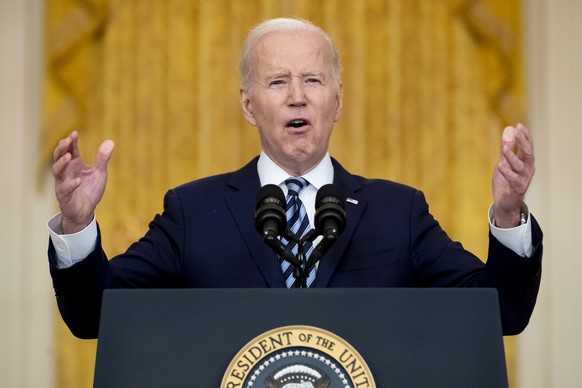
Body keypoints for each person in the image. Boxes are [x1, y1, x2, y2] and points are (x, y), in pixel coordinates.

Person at [48, 18, 542, 339]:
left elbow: (498, 312)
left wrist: (506, 214)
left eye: (313, 80)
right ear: (249, 105)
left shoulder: (399, 213)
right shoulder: (193, 212)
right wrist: (77, 225)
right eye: (278, 81)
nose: (297, 97)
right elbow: (96, 317)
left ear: (338, 101)